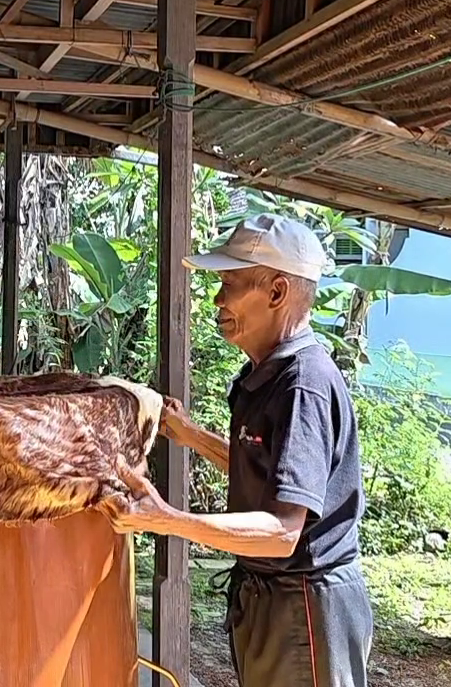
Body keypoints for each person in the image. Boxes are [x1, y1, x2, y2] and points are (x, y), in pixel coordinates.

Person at [102, 212, 373, 687]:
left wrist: (166, 519)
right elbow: (278, 475)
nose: (217, 298)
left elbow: (284, 531)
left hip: (304, 603)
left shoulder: (302, 385)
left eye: (230, 283)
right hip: (270, 598)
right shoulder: (266, 375)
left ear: (276, 292)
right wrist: (191, 435)